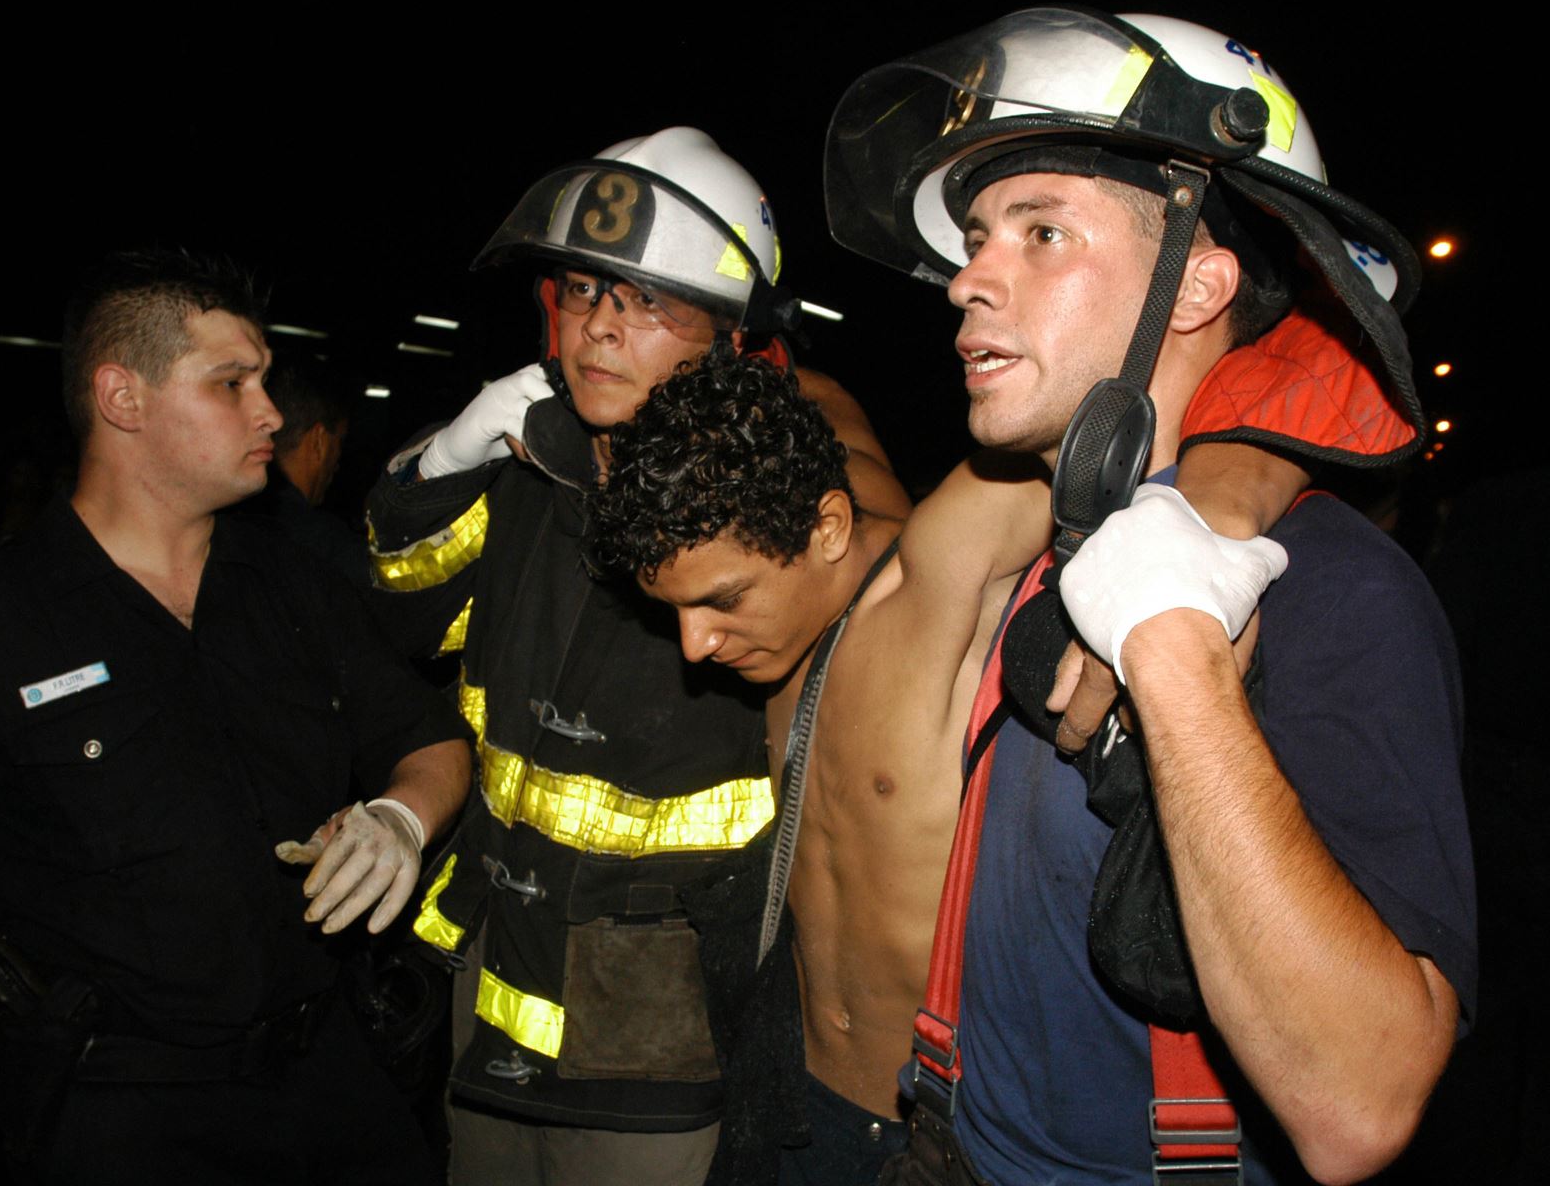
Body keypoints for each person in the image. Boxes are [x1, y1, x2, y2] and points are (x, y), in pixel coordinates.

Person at [818, 9, 1473, 1184]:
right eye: (976, 237)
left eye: (1041, 232)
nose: (968, 278)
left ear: (1197, 282)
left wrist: (1174, 651)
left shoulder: (1339, 590)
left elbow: (1359, 1110)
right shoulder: (1050, 544)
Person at [0, 249, 472, 1186]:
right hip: (117, 1104)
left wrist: (400, 817)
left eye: (264, 380)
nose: (270, 412)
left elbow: (428, 736)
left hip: (327, 1074)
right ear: (122, 398)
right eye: (231, 382)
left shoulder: (294, 588)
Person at [586, 329, 1356, 1184]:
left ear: (829, 528)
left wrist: (1220, 513)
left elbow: (1176, 382)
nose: (695, 646)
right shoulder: (764, 622)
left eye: (722, 601)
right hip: (795, 1102)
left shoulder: (940, 572)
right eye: (677, 613)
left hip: (936, 1129)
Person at [362, 127, 906, 1184]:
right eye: (581, 291)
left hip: (663, 1020)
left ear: (736, 336)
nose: (601, 329)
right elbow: (397, 620)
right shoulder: (527, 454)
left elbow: (883, 545)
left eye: (648, 301)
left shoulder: (783, 448)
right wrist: (441, 459)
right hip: (493, 983)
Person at [242, 359, 361, 580]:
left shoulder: (230, 527)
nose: (338, 462)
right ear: (319, 441)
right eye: (340, 442)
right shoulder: (329, 548)